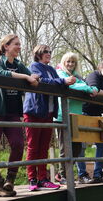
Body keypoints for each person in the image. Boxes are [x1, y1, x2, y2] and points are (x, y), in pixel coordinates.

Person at [0, 34, 39, 197]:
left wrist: (33, 77)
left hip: (12, 112)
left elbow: (32, 77)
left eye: (20, 44)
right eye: (16, 44)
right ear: (6, 46)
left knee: (18, 144)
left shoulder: (19, 65)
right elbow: (0, 74)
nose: (19, 47)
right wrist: (26, 77)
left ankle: (9, 180)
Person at [23, 45, 76, 191]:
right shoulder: (34, 66)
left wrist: (67, 82)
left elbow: (59, 83)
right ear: (38, 53)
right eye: (45, 51)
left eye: (50, 52)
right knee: (33, 146)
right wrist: (63, 82)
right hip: (35, 111)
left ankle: (43, 178)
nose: (48, 54)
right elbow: (43, 81)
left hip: (48, 113)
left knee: (44, 147)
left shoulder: (52, 69)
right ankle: (32, 179)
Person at [54, 52, 98, 185]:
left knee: (77, 148)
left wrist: (92, 88)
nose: (70, 64)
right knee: (65, 148)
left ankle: (62, 173)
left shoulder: (76, 77)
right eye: (68, 61)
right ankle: (63, 175)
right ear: (63, 62)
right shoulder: (60, 73)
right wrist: (87, 88)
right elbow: (71, 86)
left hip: (76, 116)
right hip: (63, 116)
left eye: (73, 62)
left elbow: (85, 85)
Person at [82, 59, 103, 183]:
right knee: (80, 144)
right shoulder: (93, 75)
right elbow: (94, 90)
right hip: (84, 112)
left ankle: (98, 173)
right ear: (100, 68)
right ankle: (82, 174)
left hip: (98, 114)